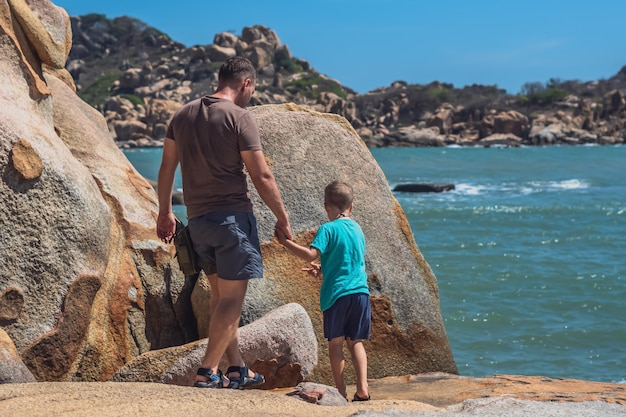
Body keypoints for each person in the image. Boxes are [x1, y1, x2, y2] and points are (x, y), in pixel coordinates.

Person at [156, 56, 292, 389]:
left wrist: (164, 212)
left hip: (198, 221)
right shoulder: (239, 117)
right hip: (232, 220)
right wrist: (282, 217)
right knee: (232, 301)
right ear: (246, 83)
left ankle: (237, 368)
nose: (252, 95)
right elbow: (261, 174)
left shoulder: (182, 115)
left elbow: (166, 169)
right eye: (253, 89)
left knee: (219, 298)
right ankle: (207, 371)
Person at [275, 180, 371, 401]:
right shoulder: (357, 228)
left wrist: (285, 243)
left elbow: (310, 254)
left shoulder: (327, 228)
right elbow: (350, 260)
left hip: (337, 294)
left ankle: (340, 392)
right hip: (360, 293)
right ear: (352, 206)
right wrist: (325, 268)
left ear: (326, 205)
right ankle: (363, 389)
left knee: (336, 343)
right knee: (355, 342)